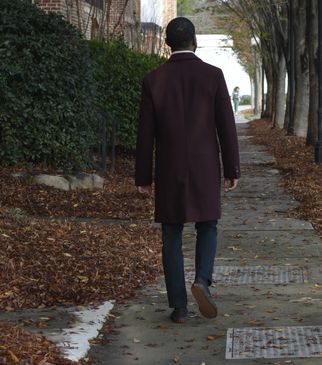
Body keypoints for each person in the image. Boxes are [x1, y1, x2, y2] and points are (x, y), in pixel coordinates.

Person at [135, 17, 240, 324]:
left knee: (171, 234)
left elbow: (146, 134)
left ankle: (179, 306)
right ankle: (202, 281)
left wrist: (143, 177)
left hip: (169, 168)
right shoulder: (213, 75)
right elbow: (226, 127)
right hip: (205, 165)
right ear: (194, 41)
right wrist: (232, 168)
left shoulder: (153, 80)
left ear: (168, 44)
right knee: (207, 225)